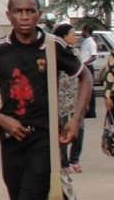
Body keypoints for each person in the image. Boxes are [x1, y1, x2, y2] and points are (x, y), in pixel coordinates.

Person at [0, 0, 93, 200]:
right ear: (8, 15)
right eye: (18, 11)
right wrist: (3, 120)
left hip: (45, 137)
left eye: (30, 11)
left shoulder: (52, 46)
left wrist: (76, 119)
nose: (24, 17)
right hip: (11, 138)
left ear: (38, 14)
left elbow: (85, 76)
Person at [53, 24, 81, 173]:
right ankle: (63, 163)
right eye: (72, 34)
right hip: (61, 98)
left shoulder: (76, 52)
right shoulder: (55, 53)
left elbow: (83, 76)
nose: (75, 37)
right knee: (63, 130)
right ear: (64, 36)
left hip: (76, 97)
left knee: (79, 129)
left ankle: (74, 160)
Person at [79, 26, 98, 120]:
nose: (81, 33)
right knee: (85, 89)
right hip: (85, 67)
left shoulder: (91, 42)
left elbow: (94, 56)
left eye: (82, 31)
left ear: (86, 31)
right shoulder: (86, 41)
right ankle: (88, 110)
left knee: (90, 89)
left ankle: (92, 111)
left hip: (88, 67)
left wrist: (83, 63)